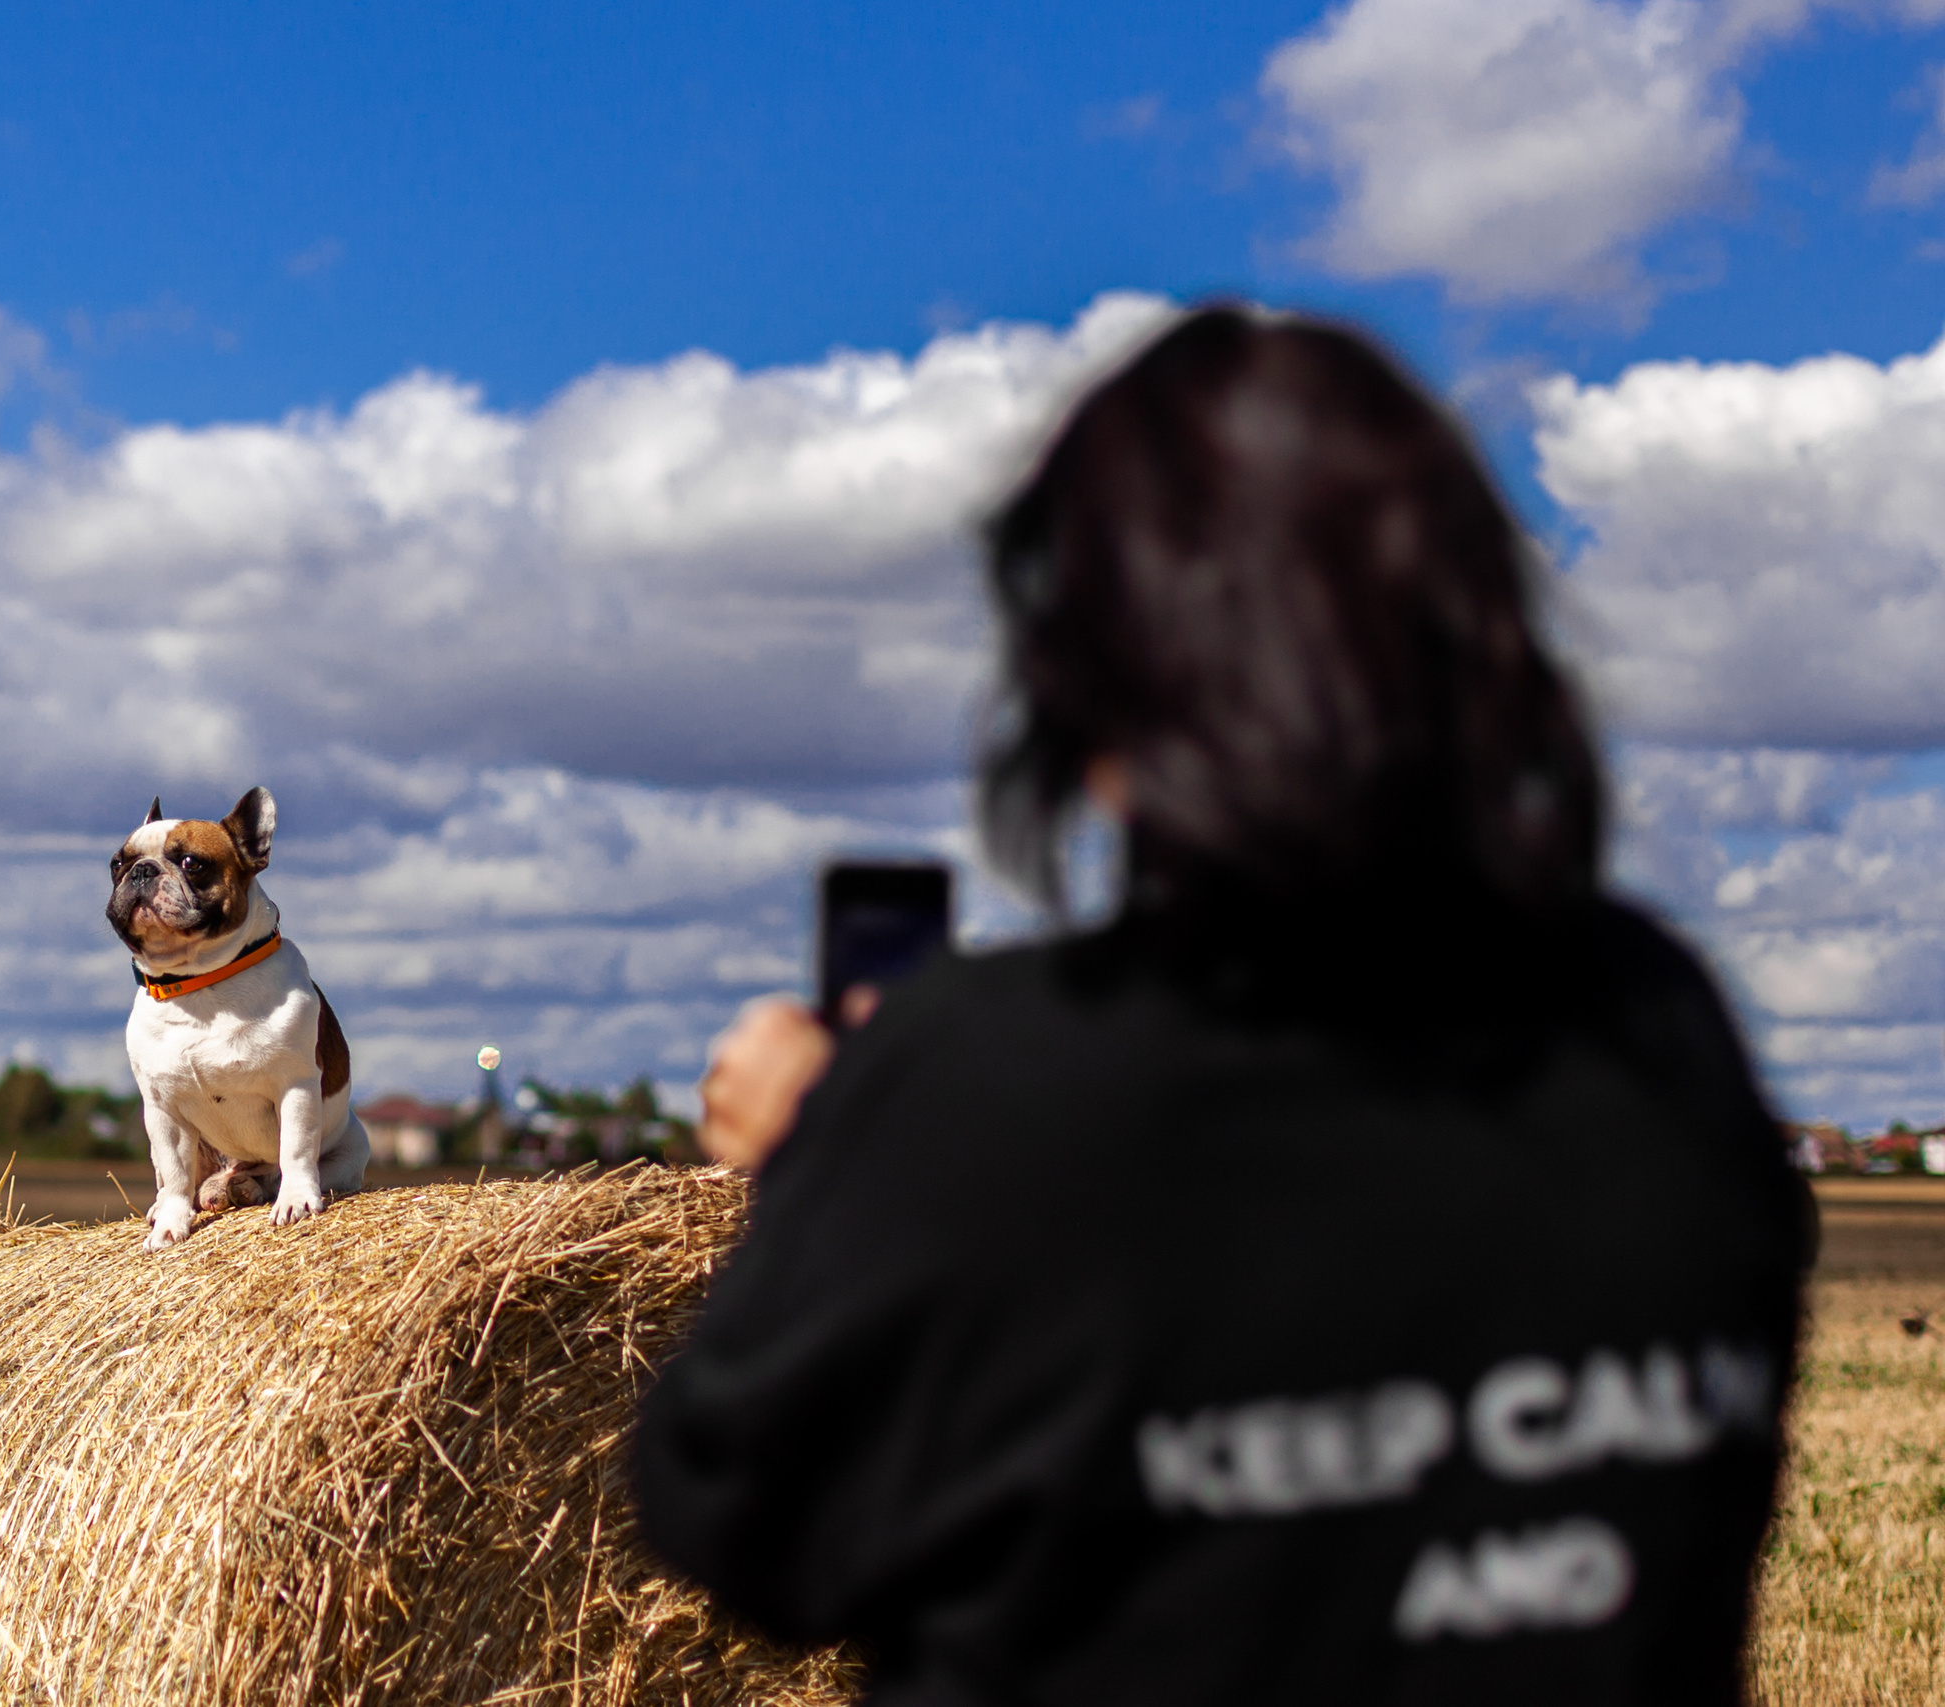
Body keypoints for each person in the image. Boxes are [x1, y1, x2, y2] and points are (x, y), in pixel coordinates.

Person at [633, 306, 1808, 1705]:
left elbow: (739, 1529)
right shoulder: (1658, 1023)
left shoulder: (988, 1088)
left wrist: (828, 1165)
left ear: (1095, 701)